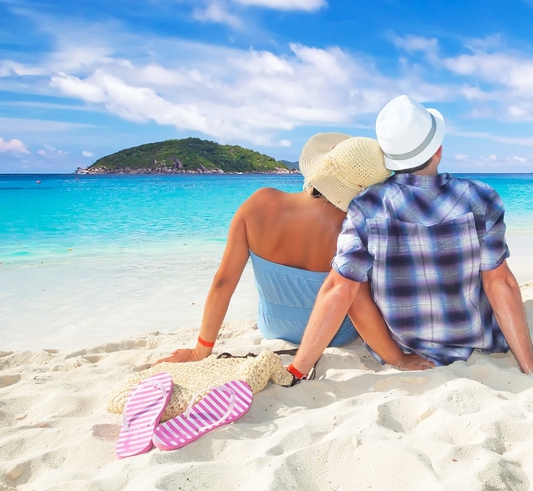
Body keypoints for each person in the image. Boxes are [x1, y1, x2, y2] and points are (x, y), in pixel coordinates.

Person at [288, 95, 533, 380]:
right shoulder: (481, 197)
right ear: (437, 149)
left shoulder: (366, 206)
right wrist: (531, 366)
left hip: (406, 347)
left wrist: (298, 369)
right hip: (477, 340)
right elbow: (500, 282)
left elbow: (340, 291)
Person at [156, 132, 391, 364]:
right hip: (335, 334)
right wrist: (397, 359)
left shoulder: (259, 203)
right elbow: (357, 303)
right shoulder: (354, 228)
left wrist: (200, 351)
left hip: (272, 327)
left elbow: (223, 282)